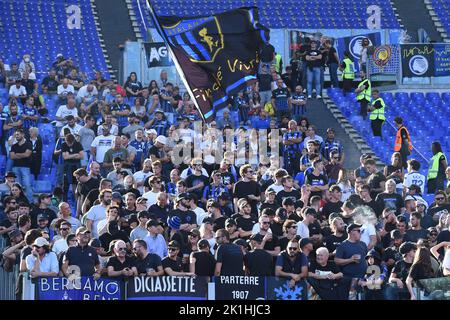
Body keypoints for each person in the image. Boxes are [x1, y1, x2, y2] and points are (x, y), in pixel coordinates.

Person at [335, 223, 368, 298]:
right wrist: (350, 260)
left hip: (362, 279)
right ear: (351, 232)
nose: (361, 233)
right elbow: (337, 261)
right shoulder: (343, 245)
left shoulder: (363, 244)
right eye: (359, 231)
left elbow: (366, 259)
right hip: (348, 279)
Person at [9, 129, 33, 201]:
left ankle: (30, 202)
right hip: (15, 167)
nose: (16, 136)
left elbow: (27, 154)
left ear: (23, 135)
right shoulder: (14, 146)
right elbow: (12, 156)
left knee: (27, 185)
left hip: (25, 167)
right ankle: (17, 202)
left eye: (18, 134)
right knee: (17, 187)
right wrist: (22, 154)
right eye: (16, 135)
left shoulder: (28, 144)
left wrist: (17, 154)